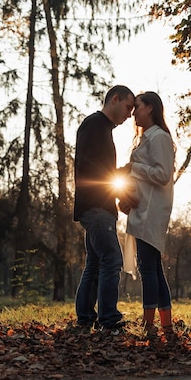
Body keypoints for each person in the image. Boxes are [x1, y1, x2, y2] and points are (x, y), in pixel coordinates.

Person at [73, 85, 135, 334]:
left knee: (96, 264)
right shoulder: (95, 125)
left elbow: (99, 170)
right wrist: (121, 183)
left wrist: (119, 189)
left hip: (95, 205)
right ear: (115, 99)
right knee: (112, 259)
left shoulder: (101, 128)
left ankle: (85, 318)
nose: (129, 114)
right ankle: (108, 319)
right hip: (96, 207)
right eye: (128, 107)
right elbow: (92, 169)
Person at [123, 91, 176, 338]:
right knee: (153, 267)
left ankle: (149, 324)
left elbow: (163, 174)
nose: (133, 112)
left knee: (148, 268)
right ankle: (165, 324)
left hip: (151, 213)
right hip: (141, 209)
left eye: (138, 107)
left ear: (151, 108)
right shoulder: (146, 139)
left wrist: (134, 168)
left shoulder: (160, 138)